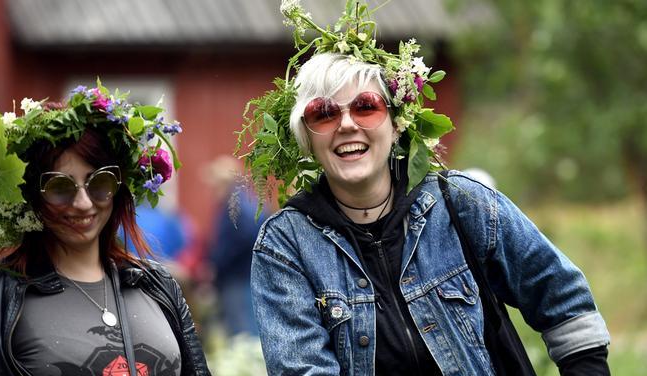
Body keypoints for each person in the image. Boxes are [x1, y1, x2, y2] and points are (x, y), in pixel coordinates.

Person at [236, 1, 610, 375]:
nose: (347, 124)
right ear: (308, 139)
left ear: (396, 123)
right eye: (325, 113)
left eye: (366, 107)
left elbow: (562, 297)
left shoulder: (460, 203)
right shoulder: (287, 246)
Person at [0, 84, 212, 375]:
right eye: (60, 187)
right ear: (31, 196)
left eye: (99, 182)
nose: (83, 202)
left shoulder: (157, 285)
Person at [204, 155, 265, 337]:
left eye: (215, 183)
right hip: (246, 277)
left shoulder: (236, 207)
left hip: (239, 278)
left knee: (243, 333)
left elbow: (244, 237)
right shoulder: (248, 202)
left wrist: (217, 264)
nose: (212, 188)